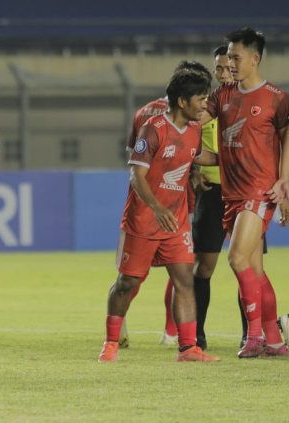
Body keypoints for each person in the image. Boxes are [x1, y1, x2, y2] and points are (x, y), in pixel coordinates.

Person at [98, 68, 220, 362]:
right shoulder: (153, 129)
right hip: (144, 220)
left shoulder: (193, 130)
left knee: (185, 280)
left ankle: (188, 348)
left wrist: (239, 154)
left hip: (176, 223)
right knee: (127, 283)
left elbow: (202, 156)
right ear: (182, 101)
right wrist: (156, 207)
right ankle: (111, 342)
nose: (205, 105)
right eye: (200, 99)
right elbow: (136, 175)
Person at [201, 27, 289, 358]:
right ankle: (276, 341)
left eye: (236, 57)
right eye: (229, 57)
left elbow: (286, 137)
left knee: (237, 258)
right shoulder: (222, 96)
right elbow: (197, 118)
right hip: (231, 193)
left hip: (260, 190)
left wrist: (284, 181)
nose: (231, 63)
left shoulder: (276, 99)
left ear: (255, 58)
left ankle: (254, 337)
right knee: (255, 270)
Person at [158, 46, 236, 350]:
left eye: (228, 66)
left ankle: (253, 336)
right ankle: (195, 337)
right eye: (218, 68)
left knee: (247, 266)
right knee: (201, 268)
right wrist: (192, 170)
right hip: (213, 193)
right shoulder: (205, 108)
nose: (224, 72)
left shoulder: (253, 104)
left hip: (245, 191)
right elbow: (182, 141)